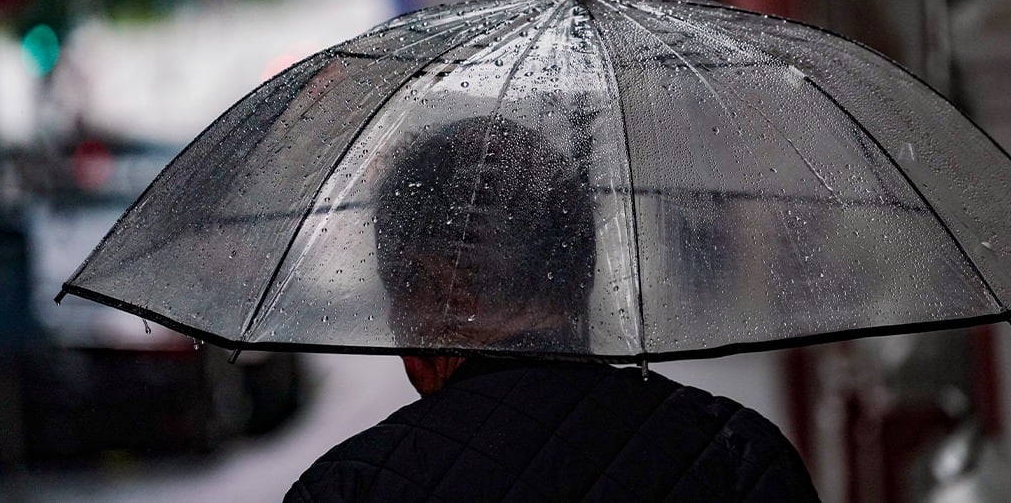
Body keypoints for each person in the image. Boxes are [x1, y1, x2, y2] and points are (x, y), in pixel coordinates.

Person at [285, 116, 819, 502]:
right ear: (573, 272)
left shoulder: (350, 487)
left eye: (399, 291)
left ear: (443, 290)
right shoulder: (735, 456)